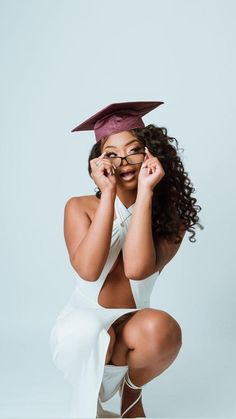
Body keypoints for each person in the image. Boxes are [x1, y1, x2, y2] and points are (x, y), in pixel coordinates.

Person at [49, 101, 203, 419]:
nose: (123, 161)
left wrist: (145, 193)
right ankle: (92, 403)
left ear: (151, 153)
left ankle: (129, 392)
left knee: (163, 328)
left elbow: (136, 268)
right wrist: (107, 194)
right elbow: (89, 271)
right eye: (111, 154)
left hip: (133, 327)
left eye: (134, 150)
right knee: (89, 328)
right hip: (82, 327)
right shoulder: (78, 208)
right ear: (98, 162)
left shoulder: (170, 221)